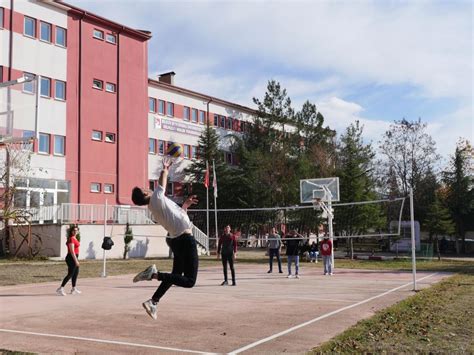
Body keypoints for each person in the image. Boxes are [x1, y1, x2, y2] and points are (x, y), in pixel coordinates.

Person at [131, 157, 199, 320]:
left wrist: (185, 206)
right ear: (146, 194)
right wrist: (165, 168)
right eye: (145, 188)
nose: (148, 187)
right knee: (189, 281)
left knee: (176, 274)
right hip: (183, 240)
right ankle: (153, 274)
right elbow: (162, 182)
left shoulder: (157, 204)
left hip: (177, 239)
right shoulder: (156, 199)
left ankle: (153, 302)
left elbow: (177, 217)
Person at [56, 226, 81, 296]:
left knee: (75, 273)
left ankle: (73, 288)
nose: (75, 231)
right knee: (70, 274)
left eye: (76, 230)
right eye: (74, 230)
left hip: (74, 257)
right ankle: (60, 288)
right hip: (71, 258)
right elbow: (72, 251)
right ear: (71, 231)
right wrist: (76, 260)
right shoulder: (71, 239)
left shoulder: (75, 238)